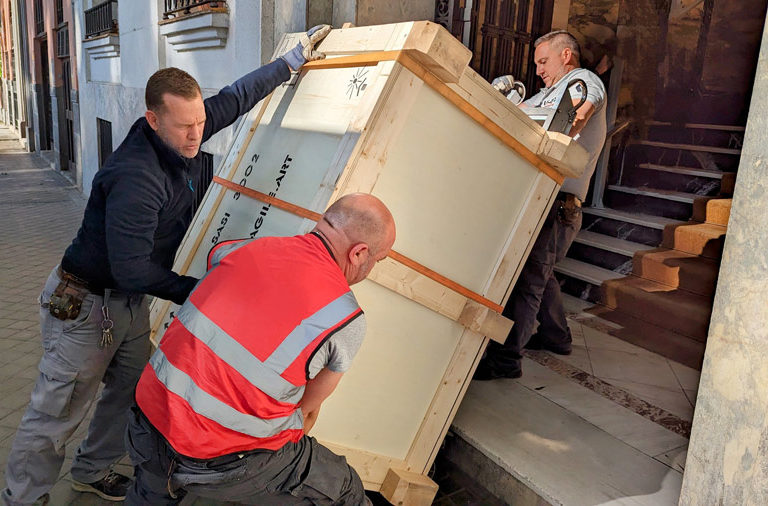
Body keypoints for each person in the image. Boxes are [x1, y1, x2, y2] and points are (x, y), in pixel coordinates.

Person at [2, 25, 333, 506]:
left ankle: (91, 471)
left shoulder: (185, 129)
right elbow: (133, 268)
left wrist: (290, 62)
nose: (197, 133)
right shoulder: (136, 177)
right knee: (58, 410)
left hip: (126, 305)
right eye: (185, 125)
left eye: (200, 120)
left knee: (132, 391)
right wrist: (205, 292)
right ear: (153, 120)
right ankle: (22, 497)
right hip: (85, 308)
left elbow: (236, 97)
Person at [124, 193, 396, 505]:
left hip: (147, 422)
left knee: (150, 494)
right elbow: (304, 410)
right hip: (221, 462)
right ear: (359, 253)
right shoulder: (344, 318)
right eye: (379, 259)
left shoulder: (240, 249)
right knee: (344, 489)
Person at [475, 30, 607, 380]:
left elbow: (580, 111)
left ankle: (507, 360)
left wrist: (567, 123)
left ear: (566, 56)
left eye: (543, 62)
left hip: (560, 203)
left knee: (529, 281)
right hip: (542, 199)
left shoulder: (584, 80)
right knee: (539, 273)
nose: (538, 70)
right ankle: (556, 336)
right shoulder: (546, 93)